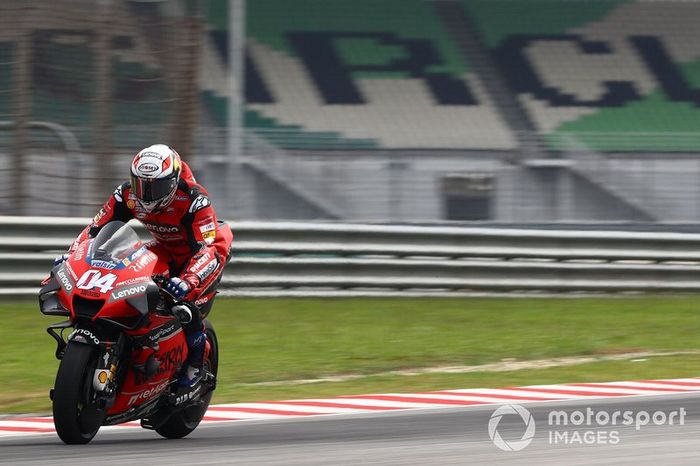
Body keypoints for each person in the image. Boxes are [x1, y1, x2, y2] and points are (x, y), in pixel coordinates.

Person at [57, 144, 233, 388]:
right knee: (124, 269)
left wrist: (188, 280)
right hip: (164, 248)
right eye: (141, 185)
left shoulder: (194, 200)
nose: (146, 194)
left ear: (172, 182)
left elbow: (207, 249)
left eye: (156, 187)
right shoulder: (126, 194)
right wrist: (73, 256)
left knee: (184, 305)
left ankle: (196, 366)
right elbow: (95, 230)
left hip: (205, 254)